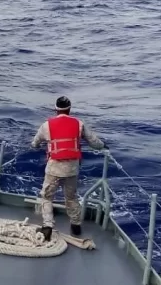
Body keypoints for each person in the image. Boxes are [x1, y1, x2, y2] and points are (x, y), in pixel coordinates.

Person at [30, 96, 108, 241]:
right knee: (71, 197)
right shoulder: (79, 124)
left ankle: (47, 226)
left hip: (54, 168)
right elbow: (93, 141)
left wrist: (35, 145)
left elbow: (35, 143)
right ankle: (76, 225)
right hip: (72, 168)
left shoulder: (46, 125)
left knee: (47, 197)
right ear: (69, 109)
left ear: (55, 109)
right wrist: (103, 146)